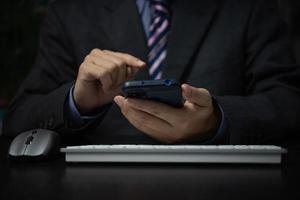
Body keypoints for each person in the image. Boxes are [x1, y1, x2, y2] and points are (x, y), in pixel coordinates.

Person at [3, 0, 300, 145]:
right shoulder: (72, 10)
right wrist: (76, 104)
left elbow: (289, 102)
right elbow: (18, 119)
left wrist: (217, 120)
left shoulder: (247, 6)